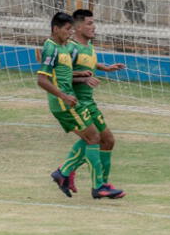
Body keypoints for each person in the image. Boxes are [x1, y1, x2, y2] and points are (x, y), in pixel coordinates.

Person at [37, 12, 124, 199]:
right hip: (69, 101)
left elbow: (65, 72)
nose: (94, 27)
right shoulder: (64, 47)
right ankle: (95, 185)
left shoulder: (68, 46)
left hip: (75, 100)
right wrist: (66, 93)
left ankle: (68, 174)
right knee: (95, 138)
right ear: (58, 29)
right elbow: (44, 77)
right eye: (90, 23)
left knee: (102, 139)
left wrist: (97, 71)